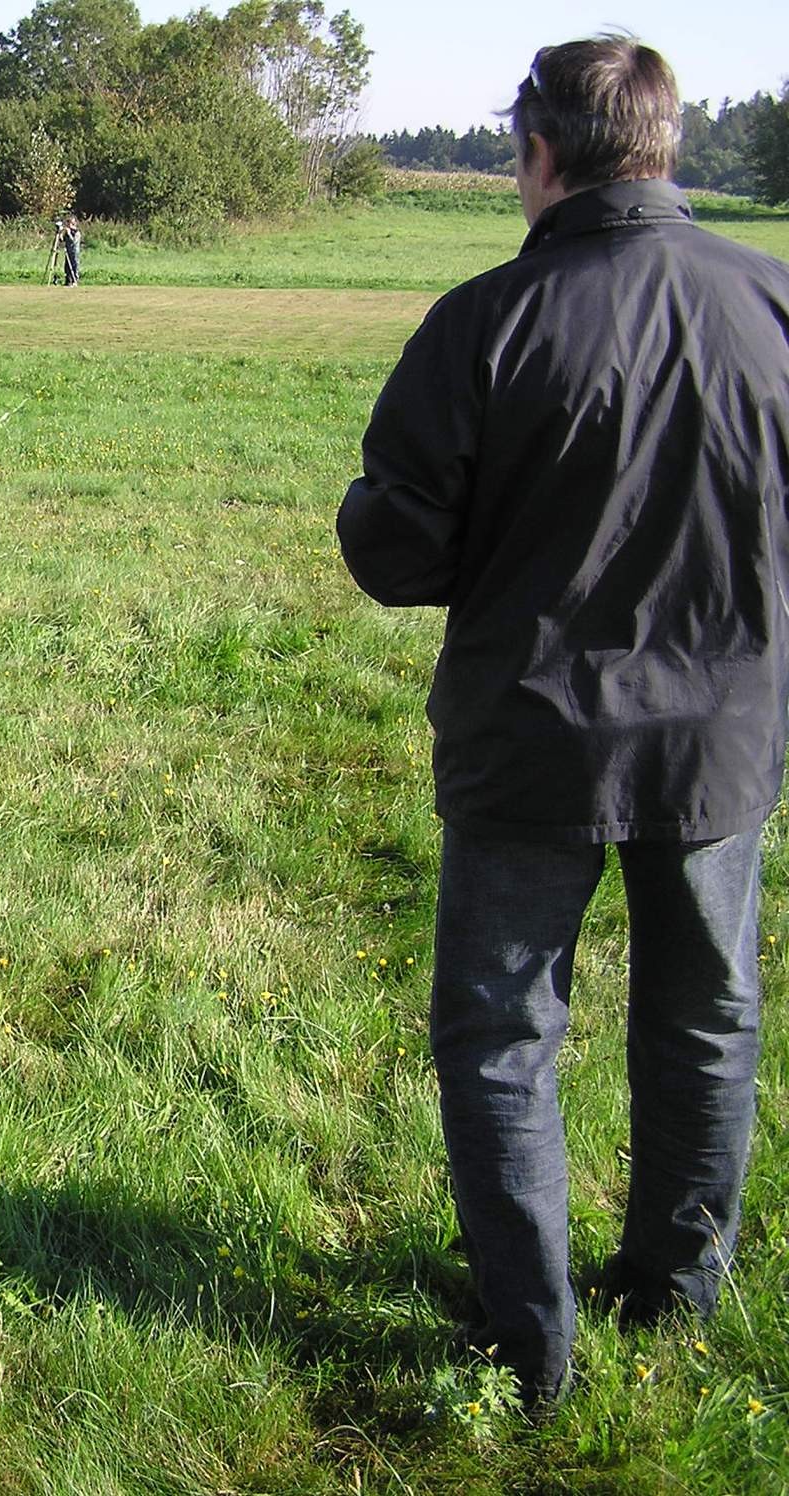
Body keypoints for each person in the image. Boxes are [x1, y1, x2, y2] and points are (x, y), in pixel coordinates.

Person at [337, 35, 789, 1410]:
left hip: (533, 734)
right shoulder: (771, 302)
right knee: (705, 1017)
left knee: (500, 1033)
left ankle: (526, 1339)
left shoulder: (485, 321)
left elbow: (395, 550)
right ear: (664, 144)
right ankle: (672, 1296)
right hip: (718, 734)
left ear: (538, 153)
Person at [60, 216, 81, 286]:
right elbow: (62, 240)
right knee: (67, 266)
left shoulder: (77, 232)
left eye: (71, 223)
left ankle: (75, 280)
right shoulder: (66, 231)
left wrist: (69, 234)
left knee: (75, 265)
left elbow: (74, 241)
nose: (69, 225)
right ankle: (68, 281)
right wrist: (61, 235)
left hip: (74, 251)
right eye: (68, 223)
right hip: (68, 252)